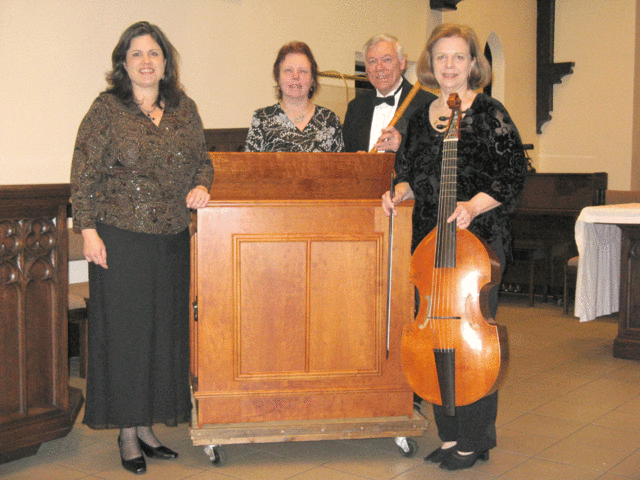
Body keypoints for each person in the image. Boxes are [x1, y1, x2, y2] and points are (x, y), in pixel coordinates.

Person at [382, 24, 527, 471]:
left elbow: (513, 173)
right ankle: (449, 434)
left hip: (476, 242)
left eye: (458, 58)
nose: (448, 66)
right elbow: (407, 171)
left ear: (472, 65)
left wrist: (473, 206)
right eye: (441, 58)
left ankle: (476, 436)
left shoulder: (489, 112)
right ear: (431, 64)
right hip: (429, 242)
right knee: (435, 339)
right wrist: (400, 191)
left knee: (471, 338)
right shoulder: (422, 114)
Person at [70, 21, 213, 475]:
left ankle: (148, 427)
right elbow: (83, 172)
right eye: (136, 54)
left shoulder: (184, 109)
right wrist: (88, 231)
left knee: (163, 336)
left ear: (165, 62)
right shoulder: (107, 110)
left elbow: (203, 163)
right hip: (121, 240)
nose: (146, 61)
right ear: (124, 63)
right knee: (128, 338)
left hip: (172, 241)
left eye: (154, 53)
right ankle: (128, 432)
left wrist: (201, 186)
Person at [342, 34, 436, 156]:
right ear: (366, 68)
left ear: (402, 63)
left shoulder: (427, 104)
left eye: (387, 60)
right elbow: (344, 155)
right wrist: (354, 162)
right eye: (372, 61)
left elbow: (435, 156)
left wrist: (403, 146)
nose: (379, 68)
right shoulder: (355, 107)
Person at [244, 41, 344, 152]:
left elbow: (340, 168)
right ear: (278, 77)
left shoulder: (330, 120)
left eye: (302, 71)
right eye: (288, 70)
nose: (295, 76)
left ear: (312, 79)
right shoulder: (262, 119)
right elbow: (251, 168)